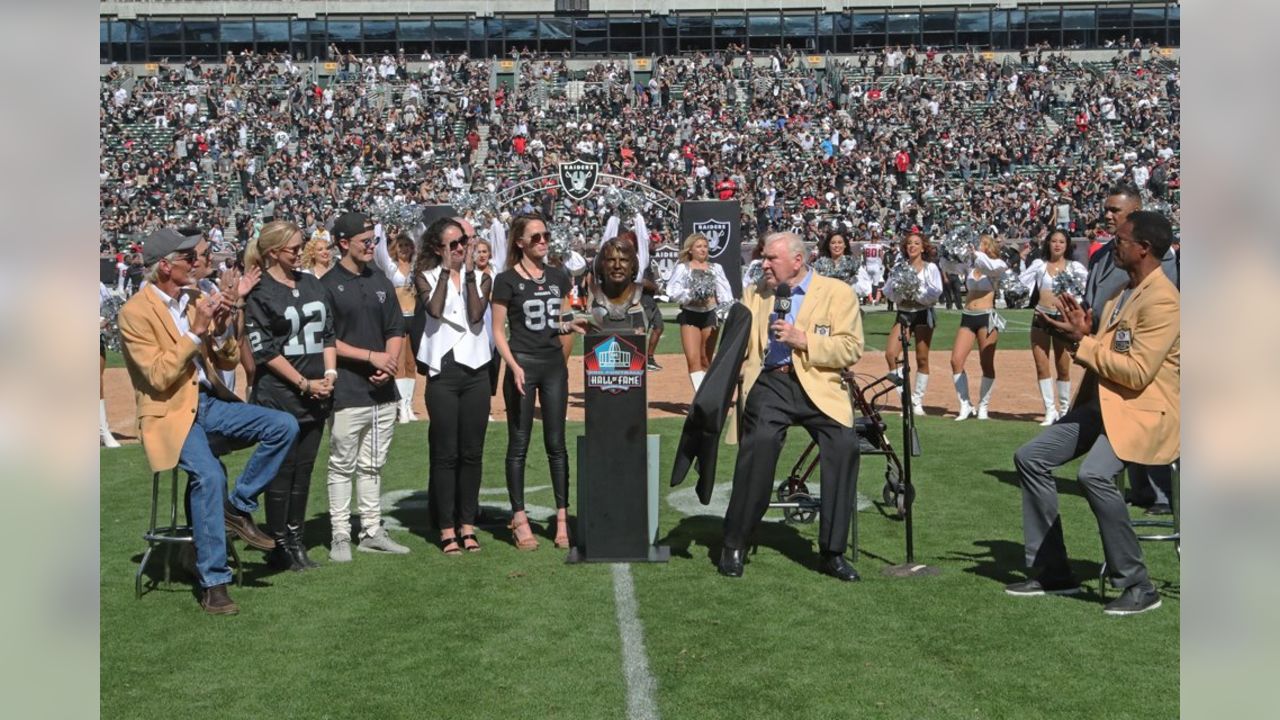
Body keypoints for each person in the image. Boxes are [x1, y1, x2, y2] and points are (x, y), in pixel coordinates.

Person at [118, 228, 298, 615]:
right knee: (209, 476)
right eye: (191, 258)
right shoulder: (134, 312)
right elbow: (158, 378)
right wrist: (196, 331)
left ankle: (238, 505)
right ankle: (215, 582)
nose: (200, 262)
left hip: (208, 404)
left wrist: (224, 324)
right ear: (165, 266)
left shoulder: (195, 298)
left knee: (283, 426)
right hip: (170, 413)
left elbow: (229, 360)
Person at [1008, 211, 1178, 616]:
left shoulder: (1165, 301)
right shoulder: (1123, 292)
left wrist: (1083, 342)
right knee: (1030, 457)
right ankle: (1052, 572)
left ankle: (1137, 584)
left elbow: (1136, 373)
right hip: (1105, 405)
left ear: (1144, 249)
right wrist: (1079, 332)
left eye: (1119, 240)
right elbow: (1105, 352)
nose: (1111, 245)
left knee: (1094, 474)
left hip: (1146, 412)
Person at [718, 232, 865, 581]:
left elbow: (851, 348)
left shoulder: (837, 292)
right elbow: (735, 342)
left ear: (798, 261)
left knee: (844, 446)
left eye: (771, 259)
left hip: (819, 383)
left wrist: (804, 340)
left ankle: (832, 552)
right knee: (759, 444)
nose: (764, 264)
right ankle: (734, 543)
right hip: (771, 382)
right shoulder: (755, 293)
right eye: (764, 258)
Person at [491, 214, 589, 550]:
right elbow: (497, 332)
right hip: (523, 365)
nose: (543, 241)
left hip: (552, 367)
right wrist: (513, 365)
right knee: (519, 444)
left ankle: (562, 518)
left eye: (545, 235)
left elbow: (557, 319)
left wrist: (571, 324)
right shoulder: (505, 280)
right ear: (519, 242)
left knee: (556, 444)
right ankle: (519, 518)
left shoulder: (558, 276)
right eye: (535, 237)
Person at [243, 220, 337, 571]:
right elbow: (264, 351)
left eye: (301, 246)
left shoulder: (310, 282)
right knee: (282, 471)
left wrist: (329, 374)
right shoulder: (261, 290)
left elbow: (328, 332)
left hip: (318, 390)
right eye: (293, 248)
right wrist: (303, 383)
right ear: (272, 253)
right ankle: (279, 543)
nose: (300, 253)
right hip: (280, 394)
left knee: (304, 470)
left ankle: (296, 540)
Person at [320, 212, 412, 561]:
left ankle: (372, 529)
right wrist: (371, 358)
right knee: (342, 464)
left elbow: (396, 329)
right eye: (365, 242)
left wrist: (388, 364)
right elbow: (328, 340)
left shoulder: (381, 280)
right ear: (343, 243)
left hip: (381, 391)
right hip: (347, 389)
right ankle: (340, 533)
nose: (372, 247)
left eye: (373, 240)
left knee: (373, 464)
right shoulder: (327, 284)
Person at [1083, 185, 1180, 514]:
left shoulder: (1164, 260)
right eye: (1106, 209)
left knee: (1148, 414)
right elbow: (1095, 302)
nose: (1108, 215)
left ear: (1135, 213)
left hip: (1148, 354)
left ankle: (1162, 493)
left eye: (1116, 210)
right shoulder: (1101, 256)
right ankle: (1140, 490)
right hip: (1107, 356)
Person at [412, 217, 492, 555]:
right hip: (443, 372)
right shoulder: (425, 277)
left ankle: (468, 524)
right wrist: (446, 271)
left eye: (463, 242)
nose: (460, 248)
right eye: (453, 244)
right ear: (437, 248)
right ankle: (446, 528)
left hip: (476, 371)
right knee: (446, 453)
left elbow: (475, 315)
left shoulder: (483, 277)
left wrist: (469, 272)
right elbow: (434, 309)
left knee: (472, 453)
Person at [1020, 228, 1088, 425]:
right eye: (1054, 241)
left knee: (1063, 365)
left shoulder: (1074, 267)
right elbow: (1022, 282)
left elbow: (1085, 288)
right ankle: (1050, 410)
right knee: (1041, 365)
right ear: (1048, 244)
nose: (1057, 245)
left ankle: (1065, 409)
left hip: (1062, 319)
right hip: (1041, 316)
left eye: (1061, 242)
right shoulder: (1039, 265)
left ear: (1067, 246)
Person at [941, 235, 1010, 420]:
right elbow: (948, 267)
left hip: (987, 317)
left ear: (989, 247)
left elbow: (989, 266)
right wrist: (947, 253)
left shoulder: (998, 265)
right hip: (968, 316)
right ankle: (965, 404)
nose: (977, 246)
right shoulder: (971, 265)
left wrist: (976, 254)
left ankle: (983, 406)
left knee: (986, 363)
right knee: (956, 360)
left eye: (982, 243)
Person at [882, 232, 943, 415]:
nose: (912, 246)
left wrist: (916, 291)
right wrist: (901, 293)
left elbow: (936, 291)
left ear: (923, 247)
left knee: (922, 358)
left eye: (916, 243)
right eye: (909, 243)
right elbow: (888, 290)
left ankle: (917, 401)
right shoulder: (899, 268)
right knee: (891, 355)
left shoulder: (930, 268)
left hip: (923, 314)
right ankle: (905, 399)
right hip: (904, 314)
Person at [665, 232, 733, 393]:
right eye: (699, 246)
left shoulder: (716, 268)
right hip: (690, 315)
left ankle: (710, 395)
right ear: (690, 250)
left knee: (705, 359)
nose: (703, 250)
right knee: (693, 360)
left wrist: (726, 311)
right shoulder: (683, 268)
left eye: (705, 246)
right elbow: (672, 291)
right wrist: (690, 294)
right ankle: (701, 397)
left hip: (710, 314)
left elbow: (725, 293)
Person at [374, 226, 421, 424]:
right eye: (400, 245)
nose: (403, 249)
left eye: (407, 245)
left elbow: (421, 236)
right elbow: (380, 250)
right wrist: (382, 225)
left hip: (415, 317)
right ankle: (401, 405)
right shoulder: (391, 267)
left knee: (411, 364)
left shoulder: (417, 266)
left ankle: (408, 404)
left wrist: (413, 222)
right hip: (398, 317)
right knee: (399, 363)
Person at [587, 234, 648, 333]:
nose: (617, 266)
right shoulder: (596, 296)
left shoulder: (644, 295)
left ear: (632, 265)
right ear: (602, 264)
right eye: (611, 260)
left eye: (623, 260)